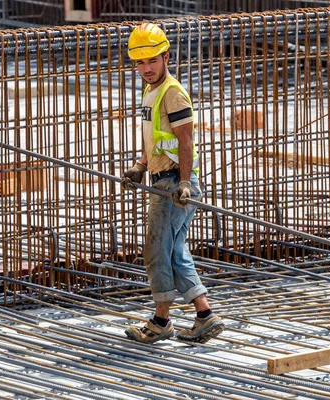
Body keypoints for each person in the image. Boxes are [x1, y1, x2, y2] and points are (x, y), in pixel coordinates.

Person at [121, 22, 225, 344]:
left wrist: (183, 184)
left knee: (157, 251)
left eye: (152, 60)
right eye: (140, 62)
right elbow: (155, 139)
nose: (147, 68)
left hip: (173, 185)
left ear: (166, 57)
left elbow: (185, 142)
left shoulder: (173, 94)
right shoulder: (151, 91)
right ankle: (205, 316)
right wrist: (140, 165)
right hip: (162, 178)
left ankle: (161, 321)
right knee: (175, 252)